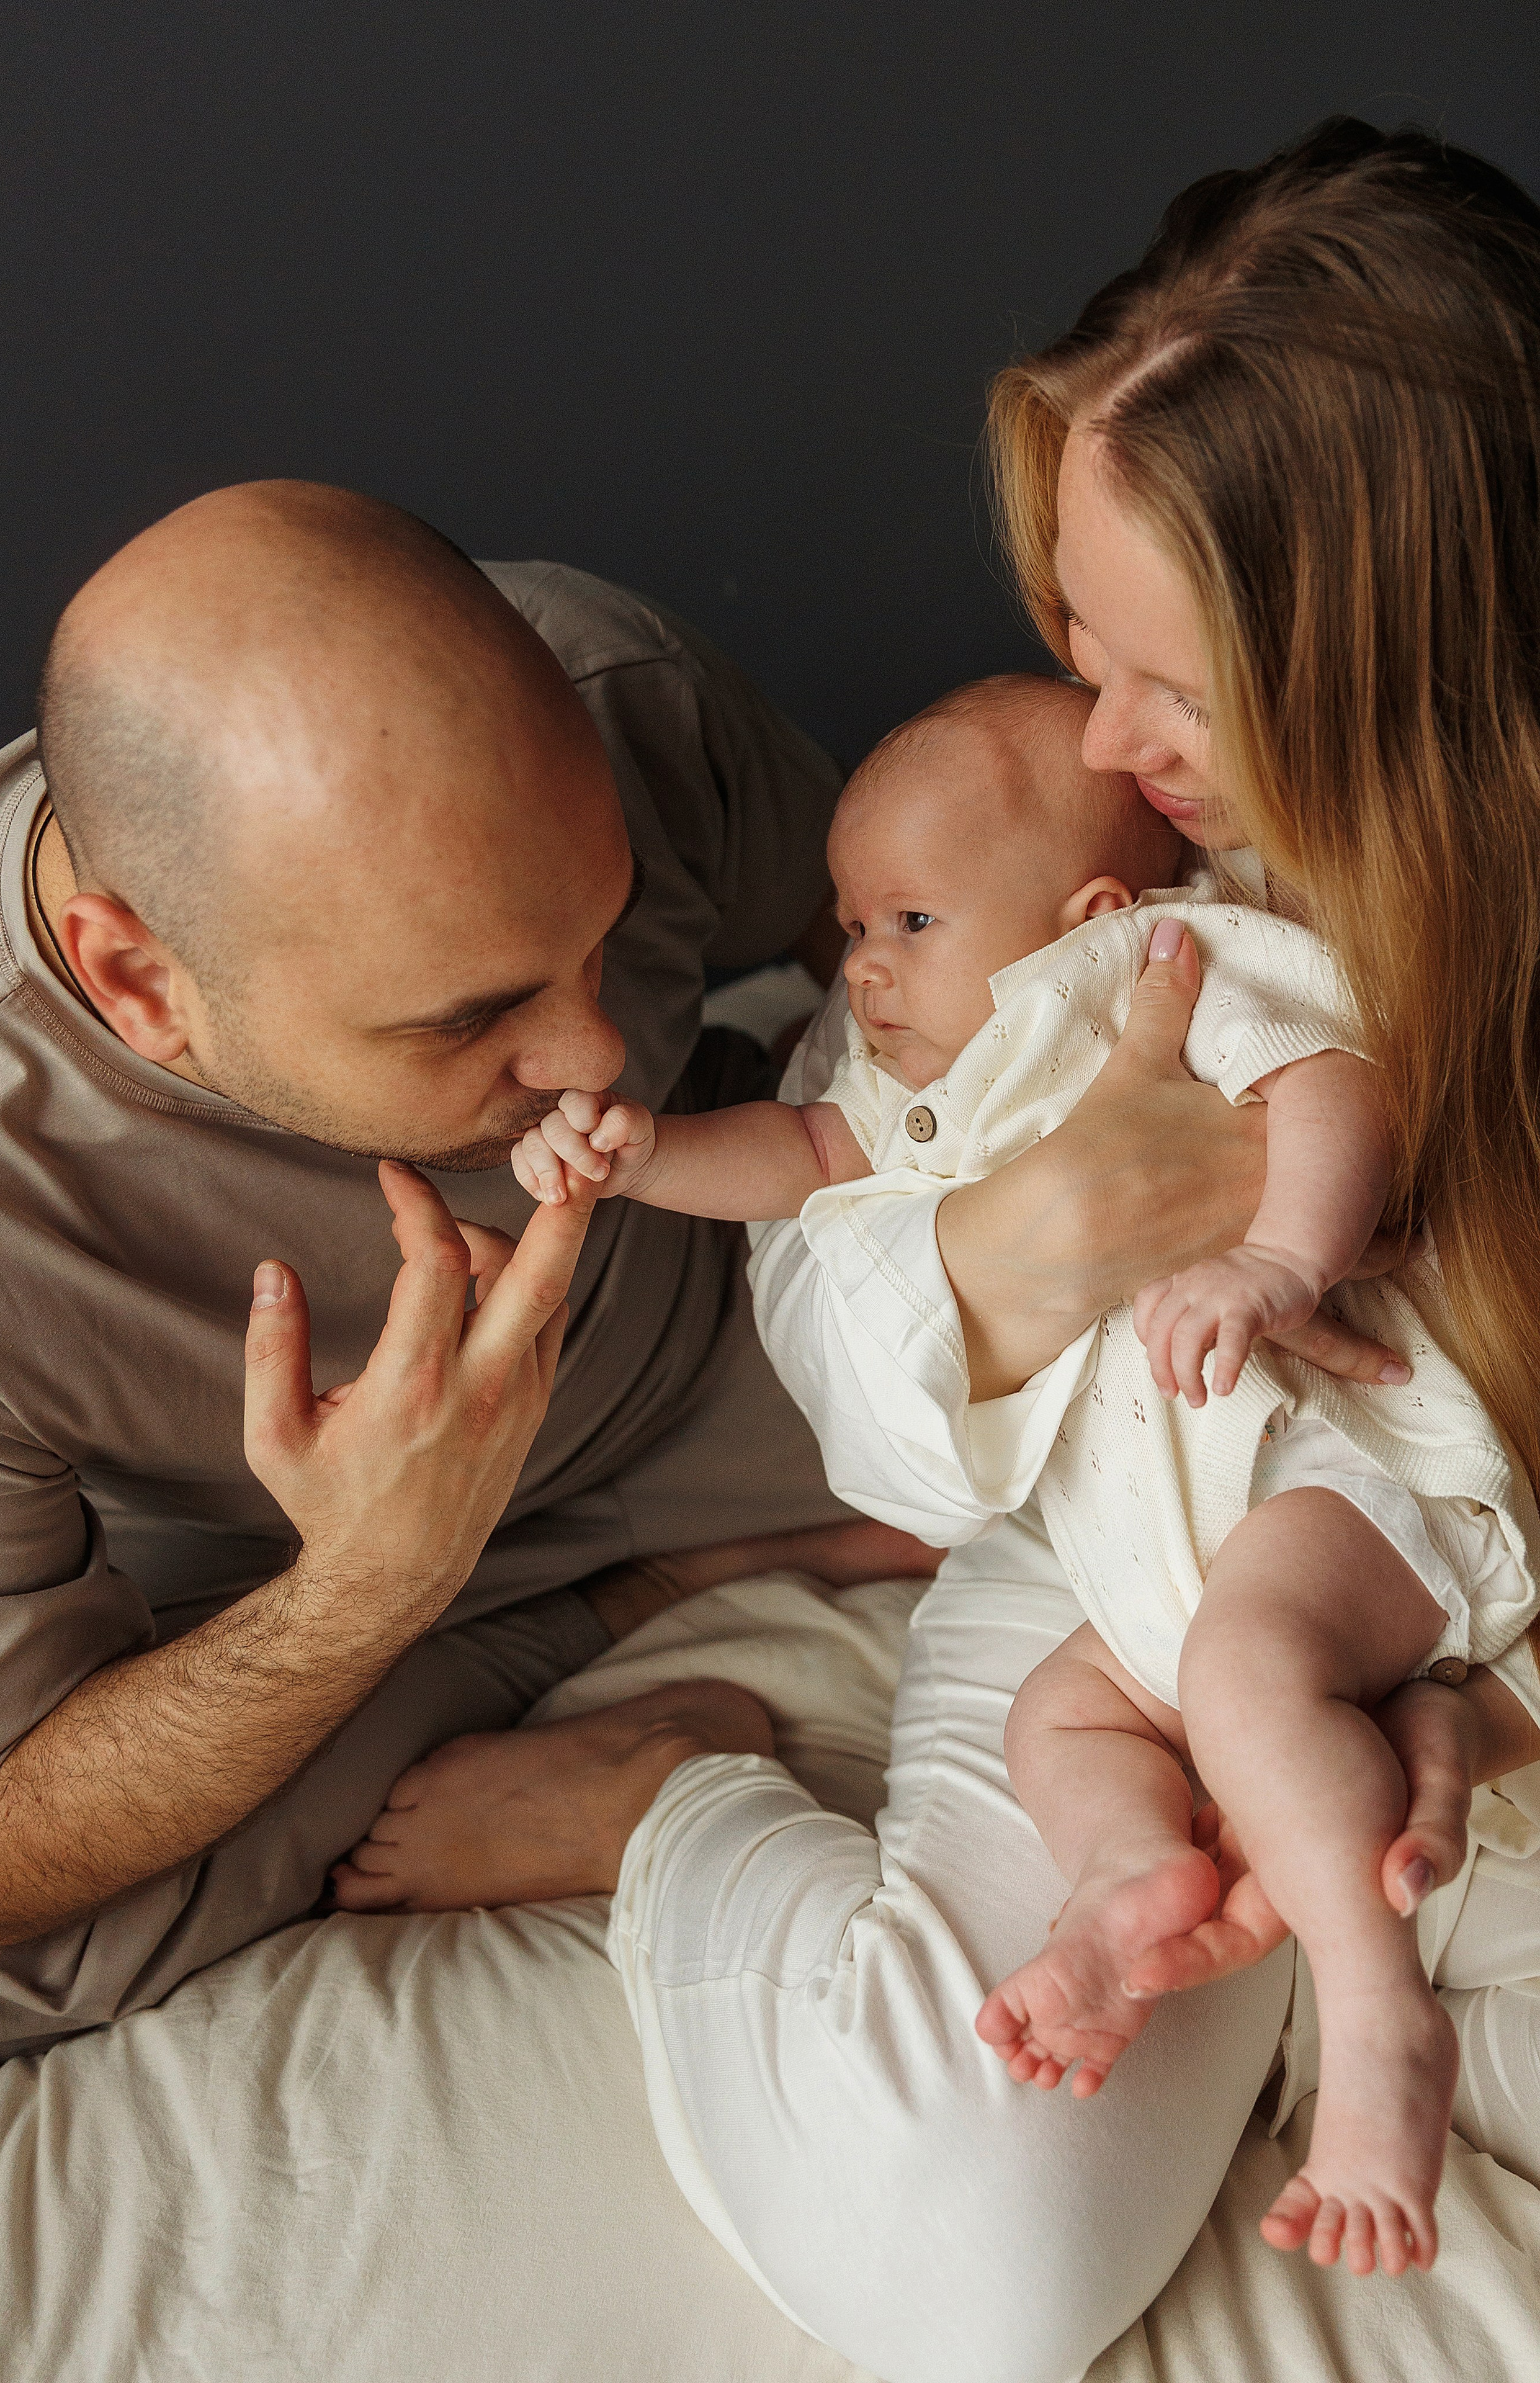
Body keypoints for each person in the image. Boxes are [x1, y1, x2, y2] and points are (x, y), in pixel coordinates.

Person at [341, 122, 1540, 2383]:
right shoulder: (1110, 917)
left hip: (1394, 1543)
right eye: (1080, 642)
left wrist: (1485, 1700)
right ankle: (672, 1812)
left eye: (1178, 687)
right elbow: (870, 1306)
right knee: (969, 2248)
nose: (1101, 741)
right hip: (1113, 1530)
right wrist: (1044, 1232)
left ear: (1422, 667)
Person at [515, 666, 1540, 2276]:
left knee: (1248, 1676)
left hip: (1335, 1491)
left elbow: (1329, 1085)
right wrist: (641, 1156)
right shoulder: (919, 1091)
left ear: (1091, 907)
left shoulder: (1167, 967)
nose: (858, 963)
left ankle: (1378, 2014)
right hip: (1145, 1561)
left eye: (910, 920)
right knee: (1062, 1713)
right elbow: (795, 1164)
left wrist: (1279, 1261)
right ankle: (1126, 1885)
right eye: (852, 923)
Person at [0, 480, 945, 2059]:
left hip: (723, 1323)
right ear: (138, 982)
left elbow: (901, 966)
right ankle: (634, 1615)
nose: (589, 1050)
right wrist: (368, 1580)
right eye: (465, 1016)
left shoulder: (617, 688)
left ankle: (684, 1573)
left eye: (601, 933)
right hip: (303, 1572)